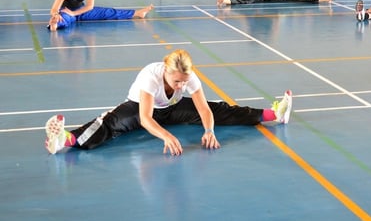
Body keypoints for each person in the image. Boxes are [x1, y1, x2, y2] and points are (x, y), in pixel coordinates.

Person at [44, 49, 293, 155]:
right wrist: (166, 136)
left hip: (171, 109)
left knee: (219, 109)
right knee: (110, 123)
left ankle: (273, 114)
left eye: (184, 82)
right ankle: (66, 139)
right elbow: (145, 119)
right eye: (177, 82)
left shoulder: (188, 77)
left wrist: (209, 131)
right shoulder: (150, 77)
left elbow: (203, 107)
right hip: (139, 108)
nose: (181, 86)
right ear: (166, 71)